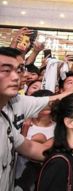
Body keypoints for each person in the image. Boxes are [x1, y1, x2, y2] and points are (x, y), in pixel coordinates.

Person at [0, 47, 52, 191]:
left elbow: (31, 148)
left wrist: (64, 139)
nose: (16, 77)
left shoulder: (5, 120)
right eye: (6, 70)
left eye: (19, 70)